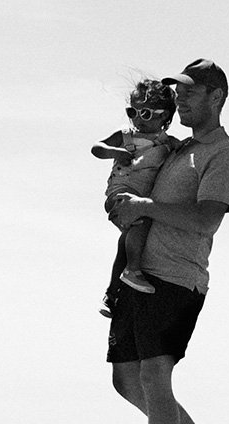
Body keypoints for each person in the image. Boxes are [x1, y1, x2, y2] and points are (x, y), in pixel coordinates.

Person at [106, 59, 229, 424]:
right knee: (126, 381)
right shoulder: (176, 147)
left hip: (177, 278)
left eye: (190, 93)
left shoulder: (224, 154)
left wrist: (144, 206)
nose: (179, 100)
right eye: (178, 93)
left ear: (217, 97)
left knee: (152, 374)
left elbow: (207, 220)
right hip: (137, 276)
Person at [90, 79, 180, 317]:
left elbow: (183, 150)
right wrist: (113, 152)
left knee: (129, 238)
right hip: (119, 195)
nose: (138, 118)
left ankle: (111, 294)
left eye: (146, 113)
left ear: (165, 117)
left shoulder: (166, 143)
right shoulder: (125, 135)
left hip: (139, 200)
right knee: (143, 221)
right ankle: (133, 270)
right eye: (133, 112)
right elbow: (96, 147)